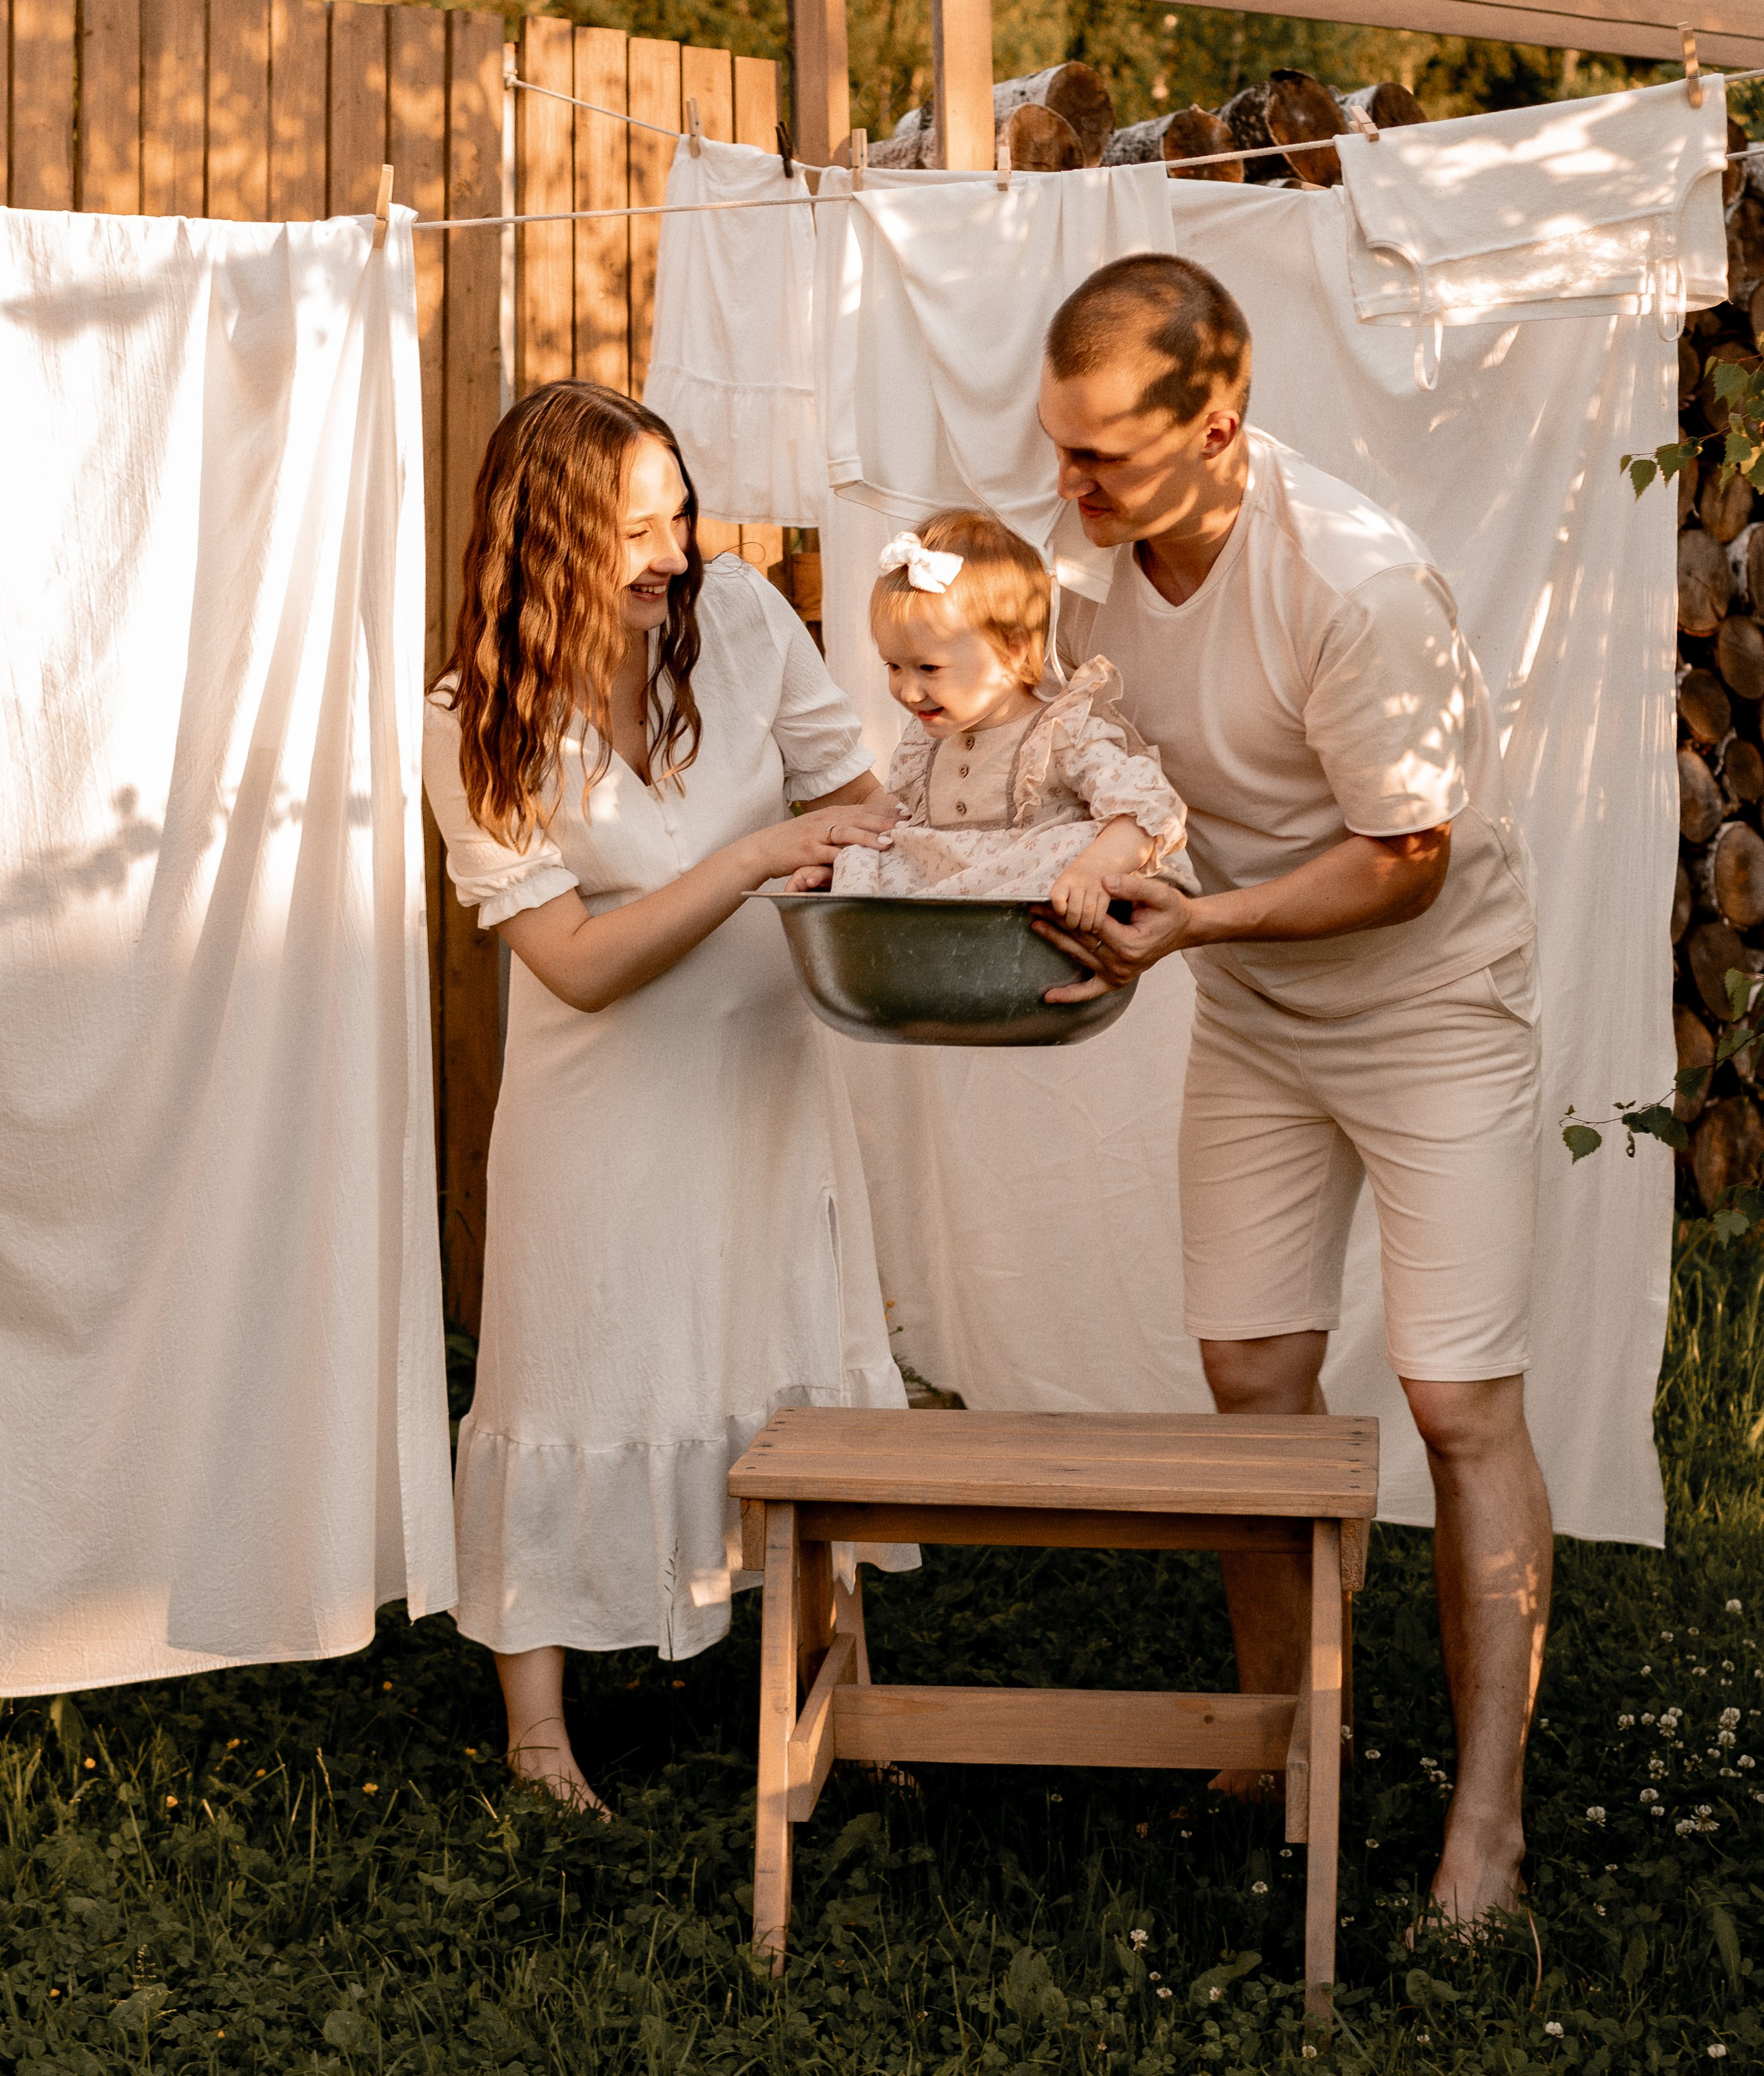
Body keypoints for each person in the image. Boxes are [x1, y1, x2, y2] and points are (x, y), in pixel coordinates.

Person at [1034, 252, 1548, 1933]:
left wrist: (1192, 925)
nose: (1068, 483)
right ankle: (1287, 1741)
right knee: (1249, 1374)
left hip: (1429, 1001)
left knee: (1455, 1400)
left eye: (1101, 454)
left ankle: (1484, 1820)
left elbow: (1403, 861)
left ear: (1216, 427)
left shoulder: (1350, 579)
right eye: (1057, 444)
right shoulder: (1080, 559)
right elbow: (1074, 760)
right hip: (1258, 1007)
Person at [422, 382, 910, 1813]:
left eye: (678, 516)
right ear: (546, 539)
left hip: (766, 1089)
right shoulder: (472, 721)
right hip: (599, 1121)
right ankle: (538, 1742)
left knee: (789, 1352)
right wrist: (750, 862)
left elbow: (859, 800)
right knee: (569, 1370)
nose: (672, 553)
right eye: (633, 529)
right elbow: (574, 964)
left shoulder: (741, 618)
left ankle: (840, 1698)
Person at [806, 507, 1193, 926]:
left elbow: (1147, 808)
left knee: (1083, 840)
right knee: (866, 851)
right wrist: (853, 870)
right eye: (894, 666)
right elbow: (907, 835)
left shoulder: (1061, 733)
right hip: (944, 920)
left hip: (1031, 916)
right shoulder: (926, 746)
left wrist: (1092, 870)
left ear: (1013, 652)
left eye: (929, 668)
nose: (909, 692)